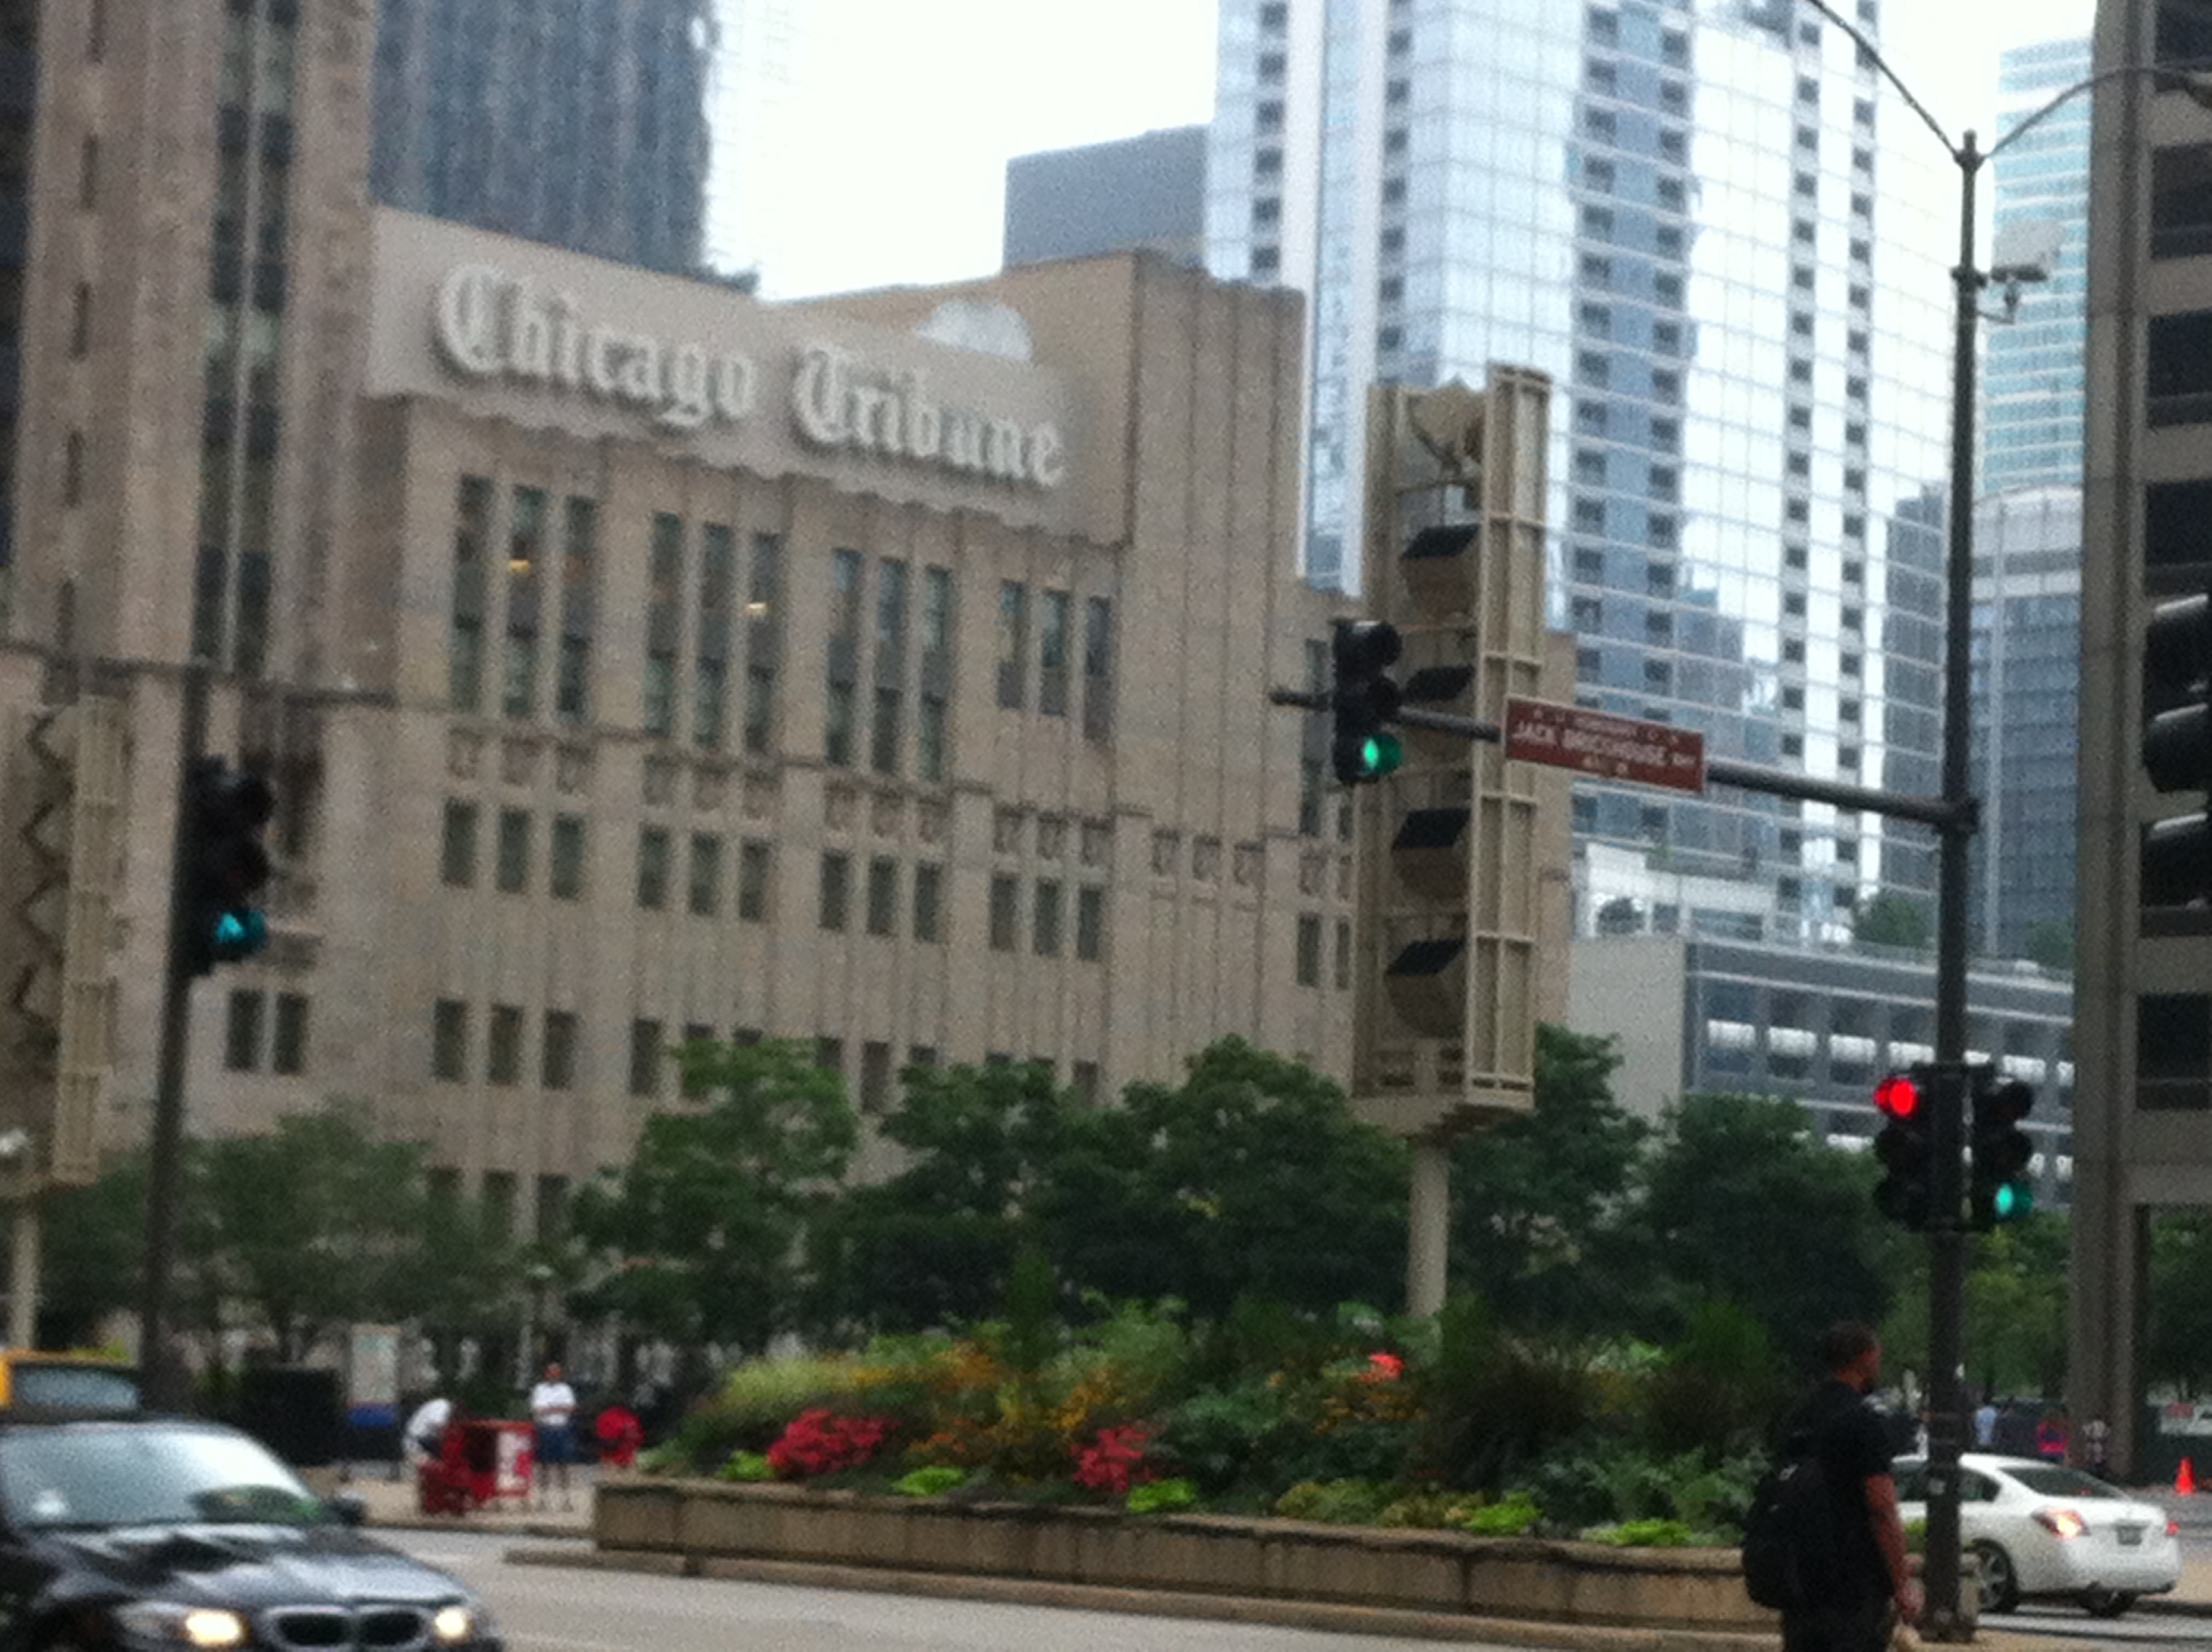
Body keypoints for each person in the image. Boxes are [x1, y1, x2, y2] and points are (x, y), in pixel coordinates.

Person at [1778, 1322, 1919, 1652]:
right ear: (1864, 1359)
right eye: (1877, 1356)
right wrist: (1901, 1583)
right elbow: (1881, 1506)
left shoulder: (1796, 1418)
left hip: (1798, 1574)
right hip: (1852, 1579)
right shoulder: (1861, 1421)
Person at [529, 1361, 579, 1509]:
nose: (553, 1375)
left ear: (560, 1374)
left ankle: (566, 1499)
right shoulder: (539, 1389)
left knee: (563, 1465)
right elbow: (537, 1409)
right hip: (545, 1428)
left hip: (561, 1428)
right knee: (543, 1465)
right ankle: (543, 1500)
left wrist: (549, 1408)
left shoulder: (566, 1389)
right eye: (550, 1372)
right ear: (546, 1374)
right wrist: (557, 1408)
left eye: (556, 1372)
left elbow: (570, 1409)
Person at [402, 1393, 452, 1470]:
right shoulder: (442, 1405)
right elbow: (436, 1424)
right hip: (418, 1447)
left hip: (414, 1443)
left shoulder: (437, 1404)